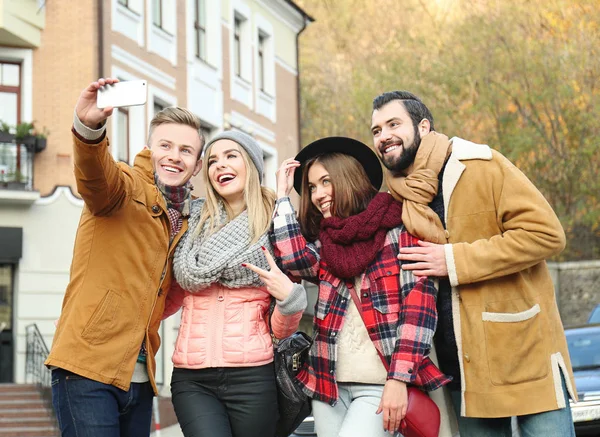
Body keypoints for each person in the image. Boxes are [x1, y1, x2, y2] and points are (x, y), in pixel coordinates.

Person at [370, 90, 577, 437]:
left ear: (424, 126)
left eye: (393, 123)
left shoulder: (481, 165)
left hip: (526, 355)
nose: (383, 135)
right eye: (376, 130)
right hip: (460, 369)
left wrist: (452, 260)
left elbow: (547, 235)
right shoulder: (395, 198)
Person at [45, 77, 204, 437]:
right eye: (166, 145)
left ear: (196, 165)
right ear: (150, 148)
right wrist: (89, 128)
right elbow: (94, 175)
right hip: (88, 368)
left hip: (140, 379)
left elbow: (161, 297)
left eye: (185, 151)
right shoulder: (125, 187)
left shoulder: (184, 220)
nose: (174, 156)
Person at [271, 137, 451, 437]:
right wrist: (282, 197)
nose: (318, 194)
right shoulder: (326, 244)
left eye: (325, 182)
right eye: (312, 187)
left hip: (380, 384)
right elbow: (294, 258)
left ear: (348, 178)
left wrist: (398, 380)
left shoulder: (399, 232)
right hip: (328, 387)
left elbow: (418, 313)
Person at [162, 130, 308, 437]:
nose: (220, 166)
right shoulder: (193, 223)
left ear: (252, 166)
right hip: (193, 377)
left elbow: (281, 331)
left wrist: (290, 301)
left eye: (231, 156)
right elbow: (169, 296)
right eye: (213, 160)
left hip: (253, 376)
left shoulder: (274, 224)